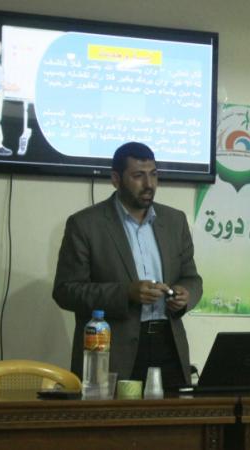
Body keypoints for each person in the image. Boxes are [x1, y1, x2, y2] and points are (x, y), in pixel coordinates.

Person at [53, 142, 203, 389]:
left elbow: (192, 278)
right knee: (116, 415)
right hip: (113, 351)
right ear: (115, 179)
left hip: (169, 345)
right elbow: (65, 291)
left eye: (153, 174)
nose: (149, 184)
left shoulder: (174, 221)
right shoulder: (85, 224)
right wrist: (126, 293)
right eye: (138, 176)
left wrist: (185, 295)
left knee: (176, 413)